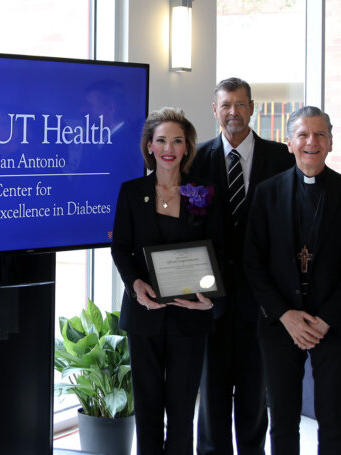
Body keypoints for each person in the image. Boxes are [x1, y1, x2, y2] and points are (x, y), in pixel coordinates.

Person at [244, 106, 341, 455]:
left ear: (330, 142)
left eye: (319, 135)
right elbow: (253, 262)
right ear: (289, 143)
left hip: (333, 325)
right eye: (303, 135)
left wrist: (326, 320)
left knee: (332, 422)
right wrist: (286, 315)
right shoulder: (266, 193)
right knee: (283, 422)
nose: (311, 142)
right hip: (280, 325)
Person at [189, 78, 293, 455]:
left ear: (253, 108)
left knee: (254, 401)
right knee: (212, 399)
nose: (233, 112)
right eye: (226, 105)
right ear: (215, 110)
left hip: (263, 302)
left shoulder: (282, 159)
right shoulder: (196, 159)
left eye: (240, 104)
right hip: (209, 301)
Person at [111, 107, 219, 455]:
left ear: (187, 147)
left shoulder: (203, 192)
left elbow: (218, 249)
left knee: (182, 409)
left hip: (190, 316)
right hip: (145, 314)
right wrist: (134, 285)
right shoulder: (131, 191)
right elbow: (121, 248)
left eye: (177, 140)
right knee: (148, 407)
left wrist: (209, 296)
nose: (169, 147)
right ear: (150, 147)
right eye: (161, 140)